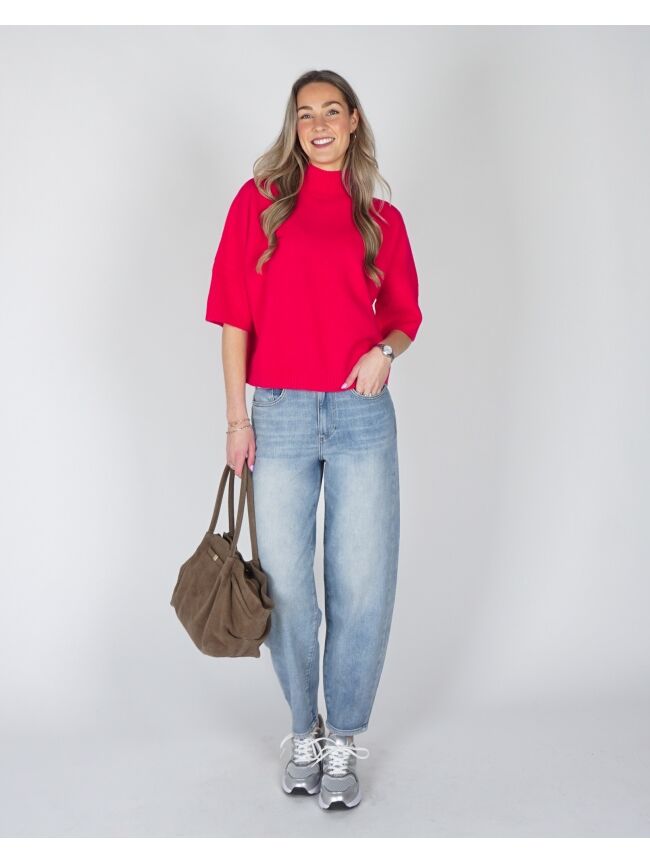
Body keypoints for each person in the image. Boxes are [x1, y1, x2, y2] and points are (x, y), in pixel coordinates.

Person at [204, 69, 423, 810]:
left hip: (361, 415)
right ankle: (304, 729)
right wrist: (237, 419)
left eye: (332, 111)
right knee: (288, 585)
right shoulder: (259, 202)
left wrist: (384, 352)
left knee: (361, 582)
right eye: (306, 114)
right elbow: (234, 317)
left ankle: (344, 737)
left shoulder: (381, 218)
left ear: (354, 120)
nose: (319, 125)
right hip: (281, 414)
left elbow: (405, 318)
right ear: (293, 125)